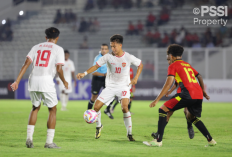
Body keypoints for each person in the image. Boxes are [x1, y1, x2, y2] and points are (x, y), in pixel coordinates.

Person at [143, 44, 216, 147]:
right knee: (191, 117)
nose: (168, 59)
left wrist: (156, 99)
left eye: (168, 56)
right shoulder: (187, 65)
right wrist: (203, 91)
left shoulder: (173, 65)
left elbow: (168, 83)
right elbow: (199, 75)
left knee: (163, 109)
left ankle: (158, 141)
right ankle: (210, 140)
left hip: (187, 94)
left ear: (171, 56)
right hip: (198, 94)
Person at [77, 34, 143, 141]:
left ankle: (129, 134)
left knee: (125, 108)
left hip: (124, 87)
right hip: (110, 87)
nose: (113, 49)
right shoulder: (108, 57)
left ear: (120, 45)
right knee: (96, 107)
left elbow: (140, 64)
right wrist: (84, 73)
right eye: (111, 46)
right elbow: (96, 66)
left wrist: (135, 78)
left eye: (114, 46)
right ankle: (99, 126)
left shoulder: (128, 57)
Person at [10, 27, 68, 148]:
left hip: (33, 80)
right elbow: (59, 69)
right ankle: (49, 142)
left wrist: (17, 81)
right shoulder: (58, 49)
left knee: (35, 107)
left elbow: (26, 64)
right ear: (57, 38)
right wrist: (64, 81)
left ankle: (29, 139)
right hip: (46, 81)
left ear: (45, 37)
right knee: (52, 109)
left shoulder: (36, 47)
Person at [151, 52, 196, 140]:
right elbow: (176, 82)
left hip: (187, 93)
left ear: (173, 57)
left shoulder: (181, 67)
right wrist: (170, 91)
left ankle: (189, 126)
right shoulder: (174, 68)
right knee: (168, 112)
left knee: (187, 111)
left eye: (169, 59)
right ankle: (159, 133)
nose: (169, 61)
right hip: (180, 94)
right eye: (167, 60)